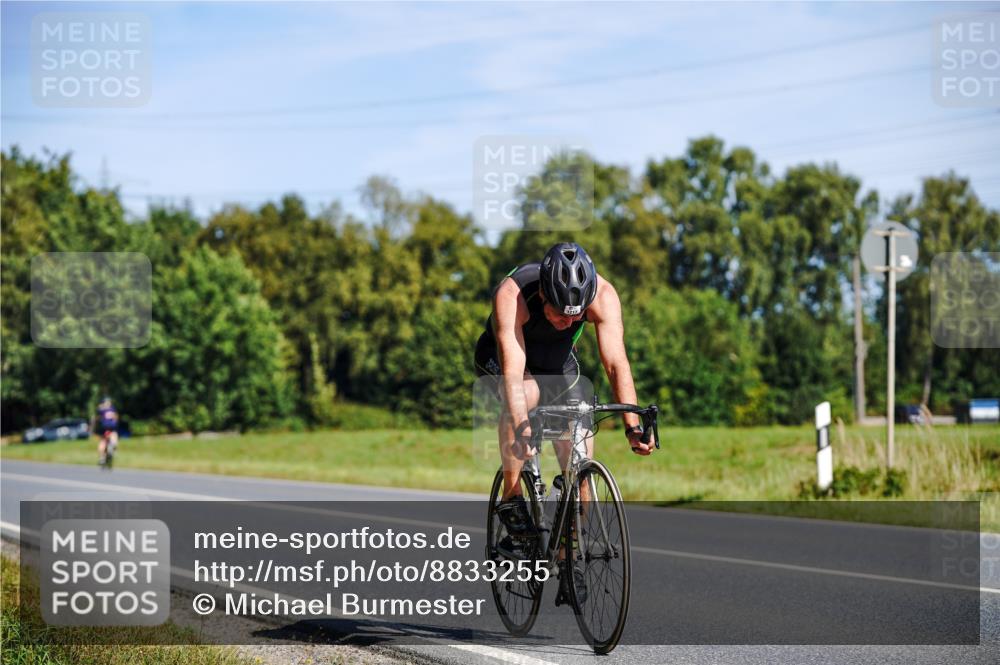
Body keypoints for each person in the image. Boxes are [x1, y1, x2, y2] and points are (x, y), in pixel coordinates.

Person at [474, 242, 655, 603]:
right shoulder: (513, 294)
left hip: (559, 364)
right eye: (560, 314)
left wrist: (632, 425)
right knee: (525, 396)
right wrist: (522, 425)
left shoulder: (602, 295)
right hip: (508, 360)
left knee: (580, 445)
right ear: (543, 293)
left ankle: (568, 555)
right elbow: (512, 370)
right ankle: (512, 499)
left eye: (576, 316)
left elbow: (616, 363)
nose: (569, 322)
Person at [93, 396, 120, 466]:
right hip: (110, 428)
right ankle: (110, 450)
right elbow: (116, 417)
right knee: (112, 439)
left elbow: (97, 416)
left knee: (104, 442)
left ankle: (102, 457)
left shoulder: (102, 409)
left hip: (105, 428)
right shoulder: (112, 409)